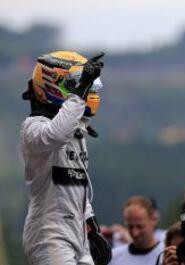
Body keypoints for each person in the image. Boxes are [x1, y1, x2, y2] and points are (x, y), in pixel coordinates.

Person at [20, 51, 111, 265]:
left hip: (77, 231)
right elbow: (56, 135)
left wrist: (93, 229)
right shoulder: (33, 127)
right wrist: (80, 92)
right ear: (51, 83)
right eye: (76, 84)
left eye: (88, 85)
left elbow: (77, 188)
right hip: (49, 232)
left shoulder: (75, 131)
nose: (88, 90)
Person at [109, 196, 164, 265]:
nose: (135, 233)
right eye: (130, 227)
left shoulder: (165, 256)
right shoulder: (113, 257)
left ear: (153, 220)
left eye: (140, 226)